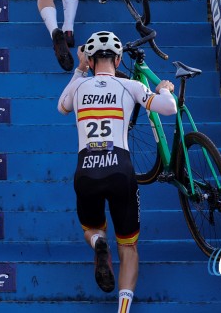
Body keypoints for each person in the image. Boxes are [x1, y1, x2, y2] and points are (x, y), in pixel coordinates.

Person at [57, 31, 177, 313]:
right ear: (119, 59)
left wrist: (79, 69)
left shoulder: (78, 88)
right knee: (128, 247)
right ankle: (123, 310)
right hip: (120, 171)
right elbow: (169, 109)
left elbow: (61, 107)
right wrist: (164, 89)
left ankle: (100, 243)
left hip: (86, 171)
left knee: (93, 229)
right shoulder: (131, 86)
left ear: (90, 57)